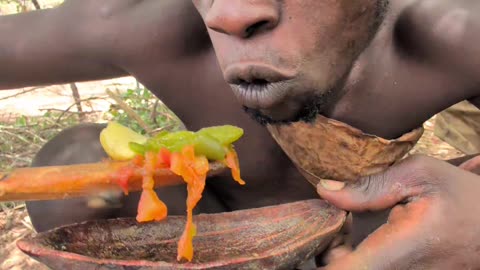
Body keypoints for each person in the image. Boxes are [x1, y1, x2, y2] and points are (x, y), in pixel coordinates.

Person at [1, 0, 480, 268]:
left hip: (369, 238)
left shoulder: (451, 33)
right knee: (75, 165)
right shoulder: (150, 25)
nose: (229, 14)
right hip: (204, 244)